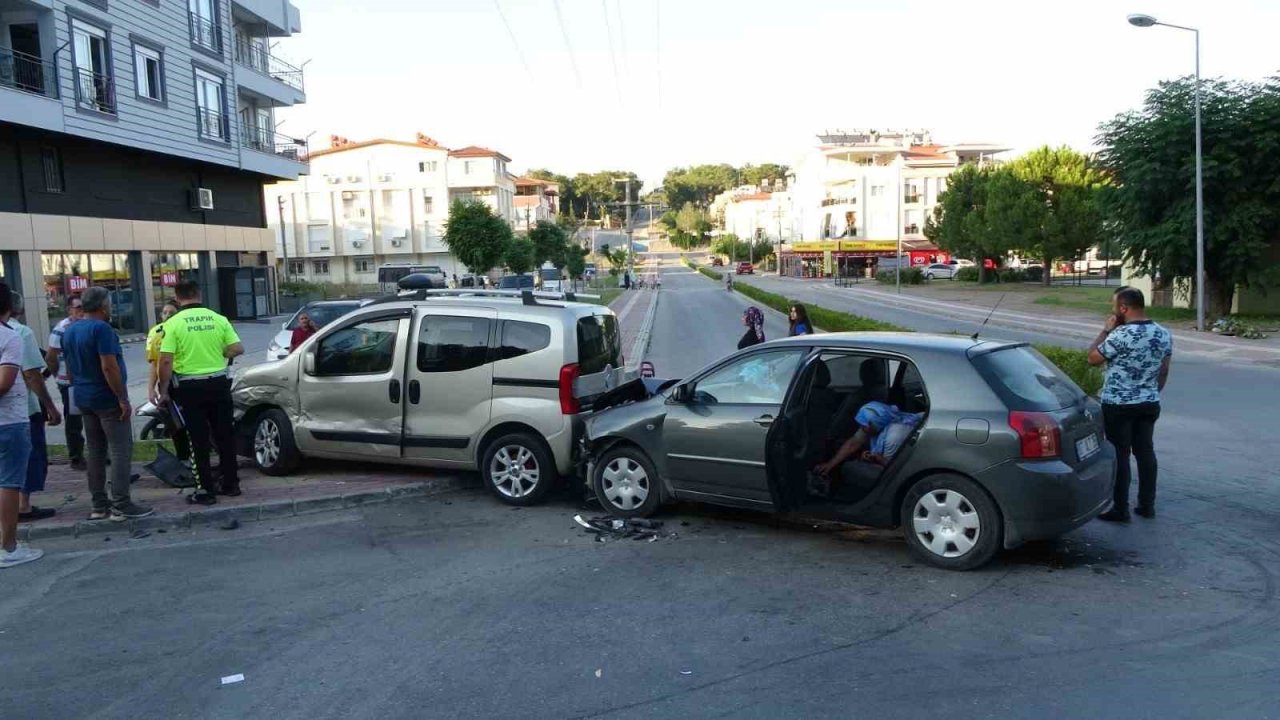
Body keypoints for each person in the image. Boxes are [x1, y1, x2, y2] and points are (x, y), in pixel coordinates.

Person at [62, 287, 153, 522]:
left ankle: (98, 505)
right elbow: (108, 366)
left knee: (94, 451)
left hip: (83, 396)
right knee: (120, 450)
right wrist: (122, 398)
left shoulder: (70, 330)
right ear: (103, 306)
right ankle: (121, 503)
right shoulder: (102, 329)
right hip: (106, 397)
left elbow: (69, 368)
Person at [1088, 287, 1172, 522]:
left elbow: (1092, 358)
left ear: (1123, 308)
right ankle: (1147, 505)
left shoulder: (1120, 335)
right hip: (1149, 402)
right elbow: (1164, 370)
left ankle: (1120, 508)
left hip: (1118, 404)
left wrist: (1106, 329)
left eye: (1115, 306)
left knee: (1120, 454)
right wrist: (1151, 391)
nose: (1113, 310)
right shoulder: (1163, 333)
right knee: (1145, 451)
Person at [158, 280, 245, 505]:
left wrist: (163, 389)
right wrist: (219, 351)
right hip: (218, 384)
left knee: (198, 440)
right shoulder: (218, 318)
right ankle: (231, 484)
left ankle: (205, 490)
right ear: (199, 295)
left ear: (177, 298)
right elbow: (238, 348)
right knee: (225, 436)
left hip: (189, 388)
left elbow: (166, 360)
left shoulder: (173, 323)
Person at [10, 292, 62, 522]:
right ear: (18, 309)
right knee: (28, 456)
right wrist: (50, 406)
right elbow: (32, 374)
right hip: (22, 406)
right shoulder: (21, 332)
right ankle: (23, 505)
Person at [0, 284, 42, 569]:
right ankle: (9, 547)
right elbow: (5, 382)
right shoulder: (10, 336)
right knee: (9, 483)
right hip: (9, 421)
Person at [812, 401, 923, 497]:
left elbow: (893, 469)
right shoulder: (878, 422)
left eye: (864, 425)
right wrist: (830, 465)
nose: (862, 428)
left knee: (849, 466)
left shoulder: (895, 436)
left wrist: (876, 458)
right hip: (886, 460)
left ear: (873, 424)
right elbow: (854, 442)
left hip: (899, 473)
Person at [45, 295, 85, 471]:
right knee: (74, 420)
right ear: (69, 309)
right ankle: (76, 456)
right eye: (77, 308)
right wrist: (59, 376)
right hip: (69, 382)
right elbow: (51, 357)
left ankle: (100, 454)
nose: (81, 312)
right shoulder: (61, 329)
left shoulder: (87, 325)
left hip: (86, 380)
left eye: (83, 307)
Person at [146, 299, 190, 461]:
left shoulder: (185, 330)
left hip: (185, 380)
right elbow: (155, 363)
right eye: (165, 312)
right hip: (168, 383)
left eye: (172, 313)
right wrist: (151, 388)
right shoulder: (156, 333)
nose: (168, 315)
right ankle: (183, 456)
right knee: (175, 424)